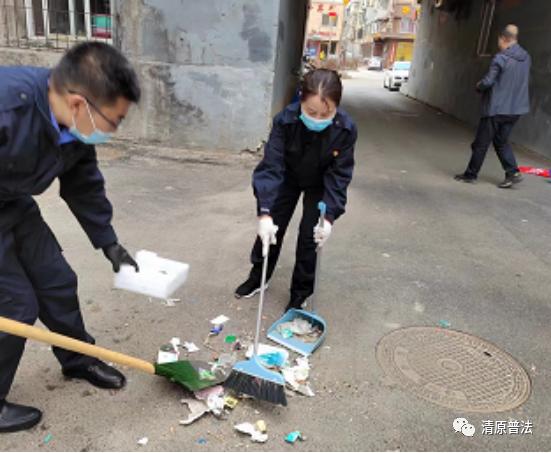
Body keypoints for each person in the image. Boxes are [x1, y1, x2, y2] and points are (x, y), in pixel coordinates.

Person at [0, 42, 140, 433]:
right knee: (15, 307)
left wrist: (108, 241)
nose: (112, 131)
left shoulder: (74, 128)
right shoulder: (7, 107)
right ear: (79, 103)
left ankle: (78, 359)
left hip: (12, 203)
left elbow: (82, 183)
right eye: (113, 121)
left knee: (58, 281)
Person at [235, 69, 357, 312]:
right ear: (301, 99)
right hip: (287, 177)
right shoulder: (285, 120)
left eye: (326, 113)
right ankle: (259, 277)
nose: (318, 118)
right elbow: (272, 165)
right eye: (311, 112)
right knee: (271, 230)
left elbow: (340, 174)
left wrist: (330, 216)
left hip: (320, 184)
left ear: (337, 108)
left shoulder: (345, 129)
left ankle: (300, 293)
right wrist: (265, 212)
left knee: (310, 236)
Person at [455, 24, 531, 188]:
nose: (498, 44)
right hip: (516, 109)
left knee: (481, 143)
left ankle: (470, 174)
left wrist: (478, 85)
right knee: (501, 141)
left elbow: (488, 81)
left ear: (504, 39)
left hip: (497, 109)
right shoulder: (526, 57)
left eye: (499, 40)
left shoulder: (501, 58)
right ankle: (513, 172)